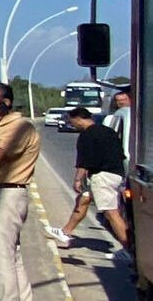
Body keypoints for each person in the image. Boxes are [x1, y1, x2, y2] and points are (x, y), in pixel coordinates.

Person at [0, 82, 41, 301]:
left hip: (5, 192)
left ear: (4, 104)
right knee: (11, 254)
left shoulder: (18, 127)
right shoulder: (0, 125)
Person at [48, 107, 131, 258]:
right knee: (83, 200)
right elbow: (120, 154)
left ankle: (127, 250)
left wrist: (78, 179)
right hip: (115, 174)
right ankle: (65, 232)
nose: (71, 124)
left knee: (110, 212)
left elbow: (84, 161)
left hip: (102, 177)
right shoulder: (108, 131)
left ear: (79, 118)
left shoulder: (86, 135)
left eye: (71, 121)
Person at [105, 91, 133, 166]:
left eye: (124, 99)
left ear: (130, 100)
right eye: (118, 100)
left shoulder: (135, 117)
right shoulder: (117, 116)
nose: (121, 102)